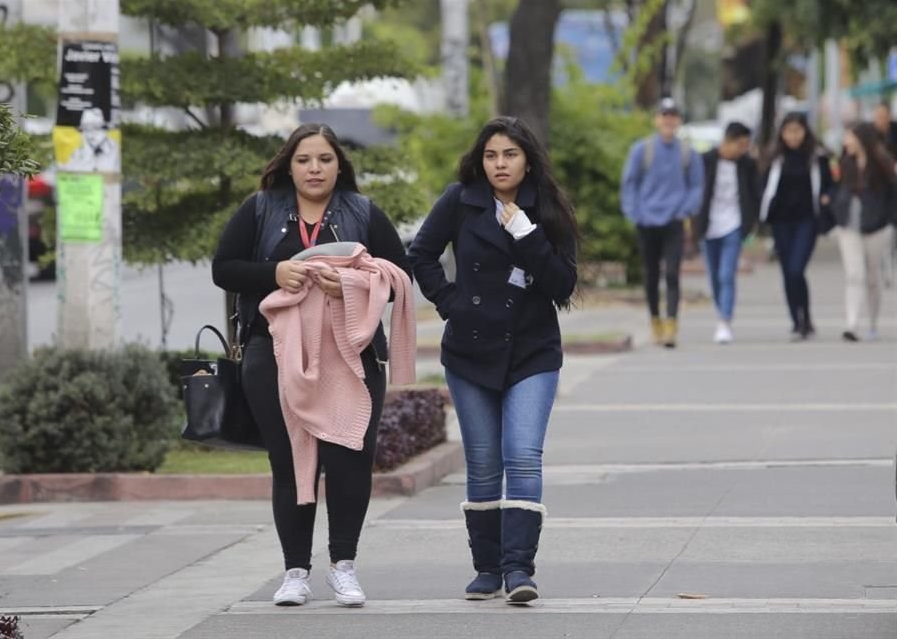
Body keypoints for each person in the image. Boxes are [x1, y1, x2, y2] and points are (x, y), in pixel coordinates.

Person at [212, 123, 412, 608]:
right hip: (273, 353)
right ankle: (294, 571)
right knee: (288, 462)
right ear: (289, 165)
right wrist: (274, 273)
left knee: (349, 461)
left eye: (324, 159)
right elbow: (224, 268)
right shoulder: (261, 208)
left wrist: (351, 285)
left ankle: (344, 566)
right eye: (304, 160)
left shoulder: (362, 212)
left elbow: (399, 271)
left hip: (352, 354)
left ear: (339, 164)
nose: (315, 169)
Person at [407, 116, 579, 604]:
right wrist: (451, 303)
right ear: (480, 161)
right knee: (483, 462)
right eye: (491, 155)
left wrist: (527, 236)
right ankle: (486, 568)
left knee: (522, 454)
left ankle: (519, 570)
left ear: (527, 161)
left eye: (510, 155)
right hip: (470, 350)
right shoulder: (460, 200)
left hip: (532, 351)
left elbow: (562, 286)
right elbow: (420, 255)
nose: (500, 164)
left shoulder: (545, 207)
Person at [620, 97, 705, 348]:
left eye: (673, 115)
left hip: (674, 221)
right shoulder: (642, 150)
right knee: (651, 274)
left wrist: (685, 210)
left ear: (679, 120)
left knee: (672, 273)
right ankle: (655, 319)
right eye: (664, 115)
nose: (669, 120)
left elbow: (697, 186)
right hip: (646, 221)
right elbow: (629, 184)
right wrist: (635, 212)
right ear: (657, 119)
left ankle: (671, 324)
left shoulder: (688, 152)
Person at [759, 112, 833, 341]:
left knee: (796, 269)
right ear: (782, 133)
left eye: (797, 130)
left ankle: (805, 317)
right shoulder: (774, 158)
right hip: (781, 221)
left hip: (806, 220)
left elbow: (831, 184)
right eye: (788, 131)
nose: (793, 136)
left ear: (805, 132)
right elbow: (762, 187)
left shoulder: (817, 157)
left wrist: (826, 197)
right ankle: (798, 319)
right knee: (787, 273)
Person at [830, 122, 896, 341]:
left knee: (872, 278)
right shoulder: (845, 162)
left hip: (877, 227)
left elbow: (892, 194)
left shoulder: (882, 163)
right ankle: (852, 324)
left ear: (861, 139)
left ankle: (873, 323)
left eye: (849, 137)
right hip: (849, 226)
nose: (846, 141)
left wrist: (889, 220)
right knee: (854, 275)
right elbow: (837, 189)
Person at [693, 122, 758, 343]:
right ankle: (722, 312)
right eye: (740, 145)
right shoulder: (705, 160)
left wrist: (751, 223)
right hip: (708, 226)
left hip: (734, 225)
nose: (743, 150)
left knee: (726, 274)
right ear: (727, 141)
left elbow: (754, 194)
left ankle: (724, 321)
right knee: (714, 276)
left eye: (746, 146)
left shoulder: (747, 165)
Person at [63, 107, 120, 172]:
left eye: (96, 128)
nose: (92, 134)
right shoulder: (76, 154)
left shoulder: (115, 149)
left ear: (104, 130)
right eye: (87, 129)